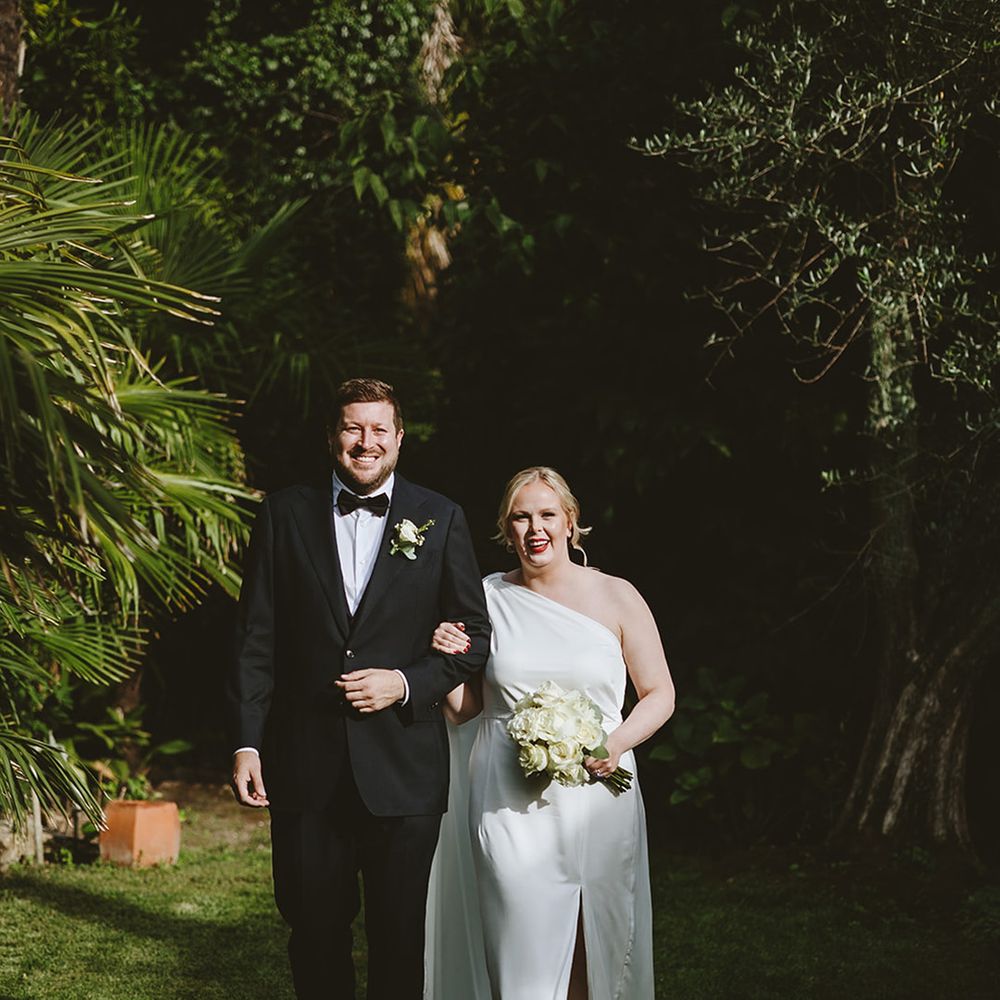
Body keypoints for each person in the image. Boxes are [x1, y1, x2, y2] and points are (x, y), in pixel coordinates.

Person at [227, 377, 490, 1000]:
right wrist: (246, 743)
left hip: (404, 767)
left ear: (399, 439)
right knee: (313, 928)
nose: (365, 442)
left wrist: (404, 682)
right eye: (352, 428)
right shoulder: (283, 513)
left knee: (400, 936)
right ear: (332, 437)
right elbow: (255, 639)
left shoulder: (440, 516)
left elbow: (473, 635)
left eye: (379, 430)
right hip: (306, 764)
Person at [425, 466, 675, 1000]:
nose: (534, 528)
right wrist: (442, 660)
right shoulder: (486, 599)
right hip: (507, 798)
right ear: (506, 528)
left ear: (569, 522)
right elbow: (465, 709)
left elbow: (659, 694)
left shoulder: (617, 596)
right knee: (518, 937)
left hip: (598, 792)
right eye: (521, 517)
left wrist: (614, 744)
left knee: (594, 936)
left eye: (546, 515)